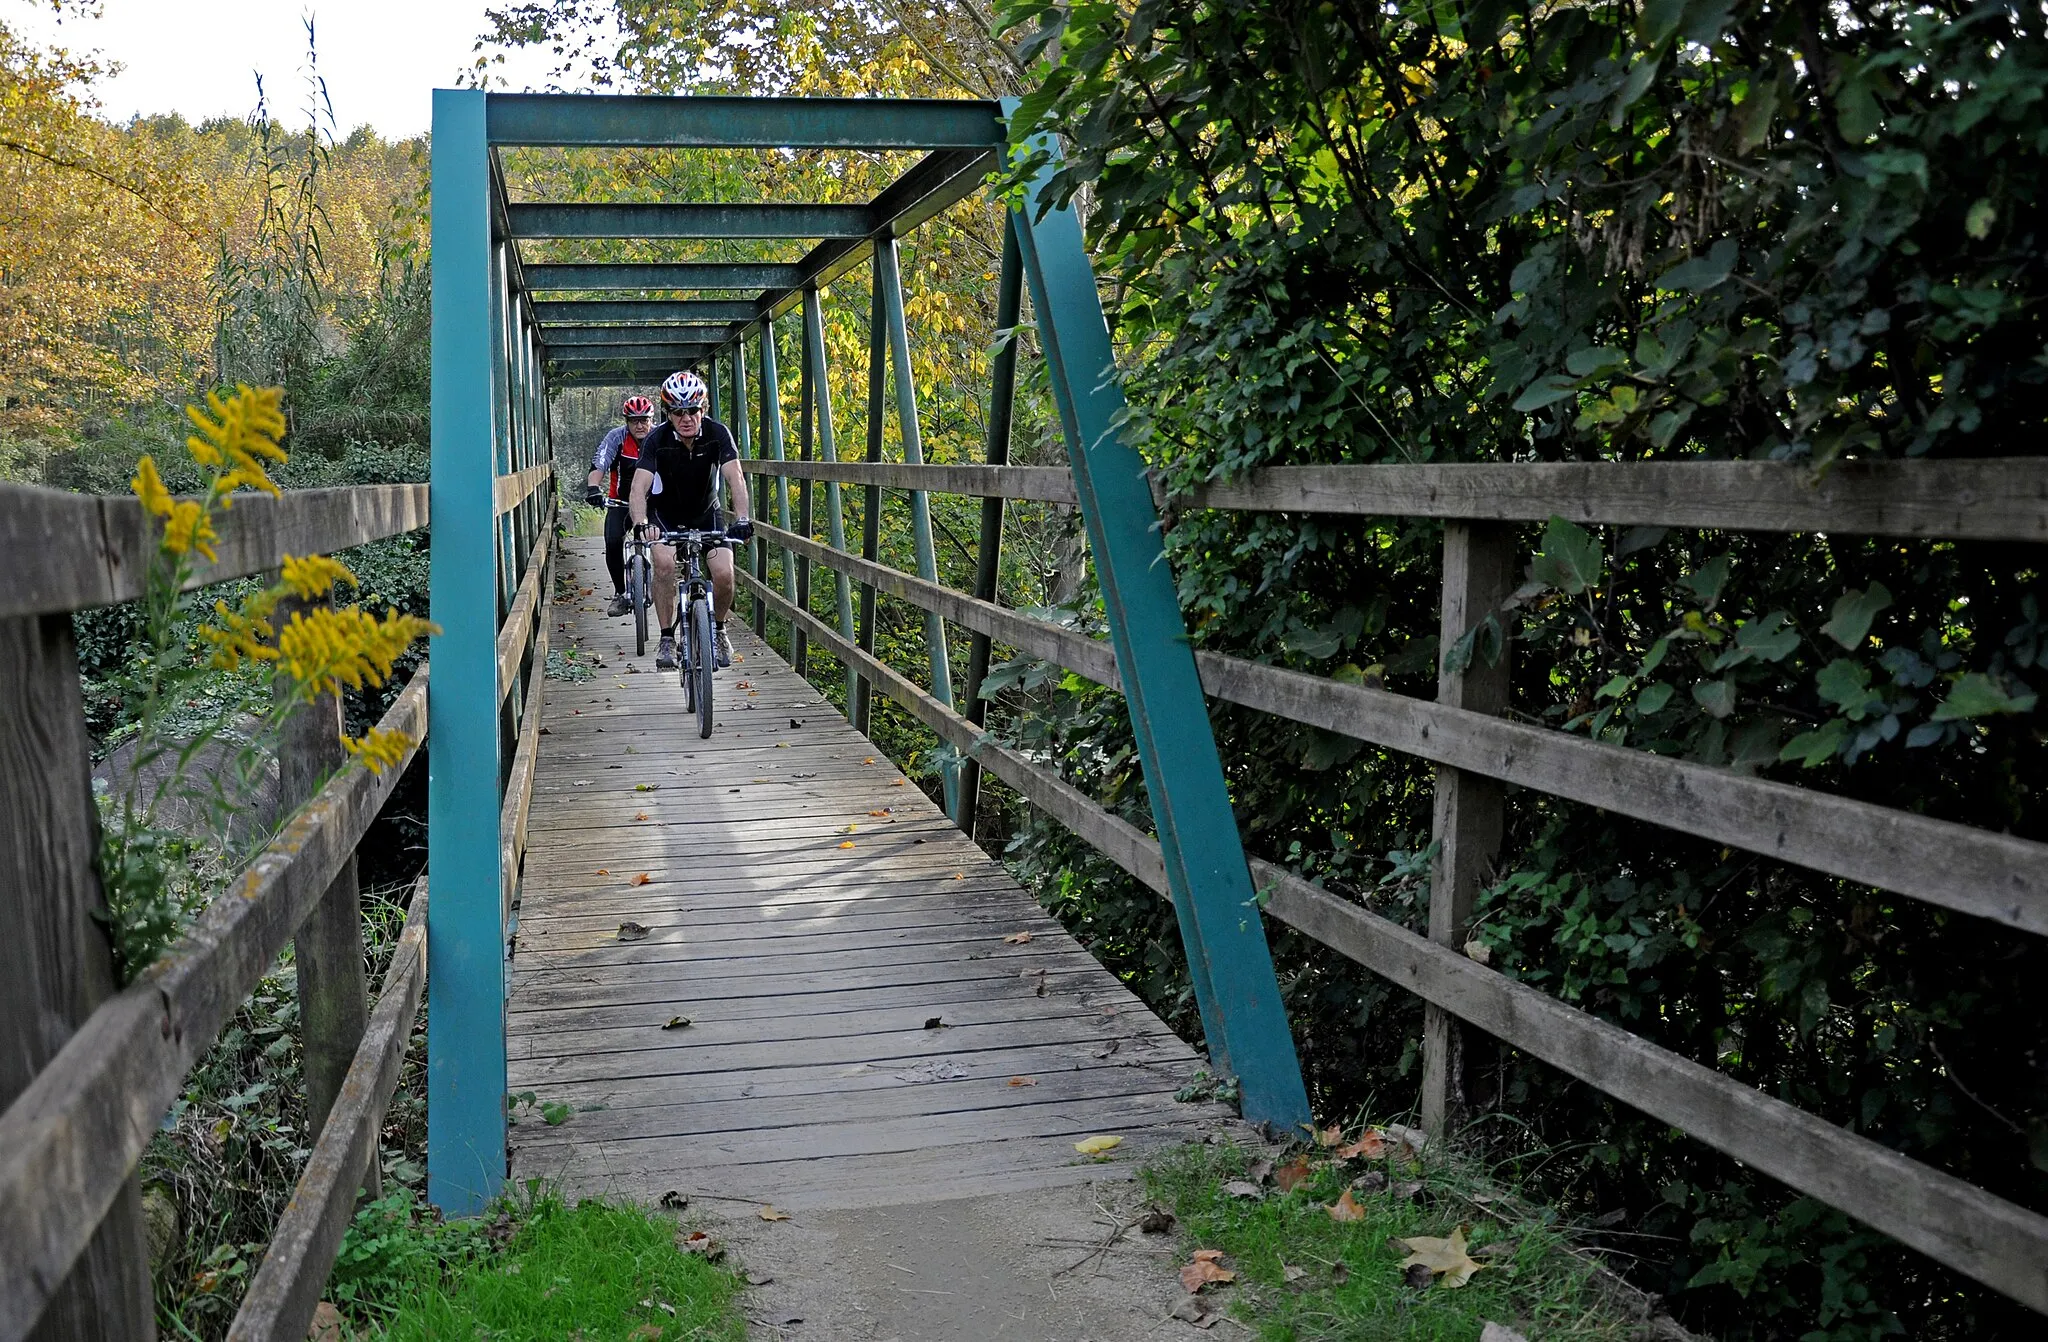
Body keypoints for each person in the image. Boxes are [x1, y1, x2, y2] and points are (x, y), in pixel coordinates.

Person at [627, 370, 753, 671]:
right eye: (678, 412)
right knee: (665, 565)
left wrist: (744, 518)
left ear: (703, 409)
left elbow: (735, 477)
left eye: (693, 410)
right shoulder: (655, 439)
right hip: (664, 515)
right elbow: (638, 487)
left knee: (723, 574)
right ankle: (667, 636)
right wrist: (641, 523)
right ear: (668, 414)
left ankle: (719, 629)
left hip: (706, 512)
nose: (687, 418)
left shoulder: (718, 434)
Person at [585, 394, 656, 617]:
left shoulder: (661, 437)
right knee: (613, 540)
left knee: (671, 541)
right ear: (626, 421)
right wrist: (593, 488)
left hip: (654, 504)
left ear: (651, 419)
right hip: (621, 502)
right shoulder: (616, 437)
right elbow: (600, 462)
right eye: (634, 420)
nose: (640, 425)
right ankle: (620, 593)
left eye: (644, 419)